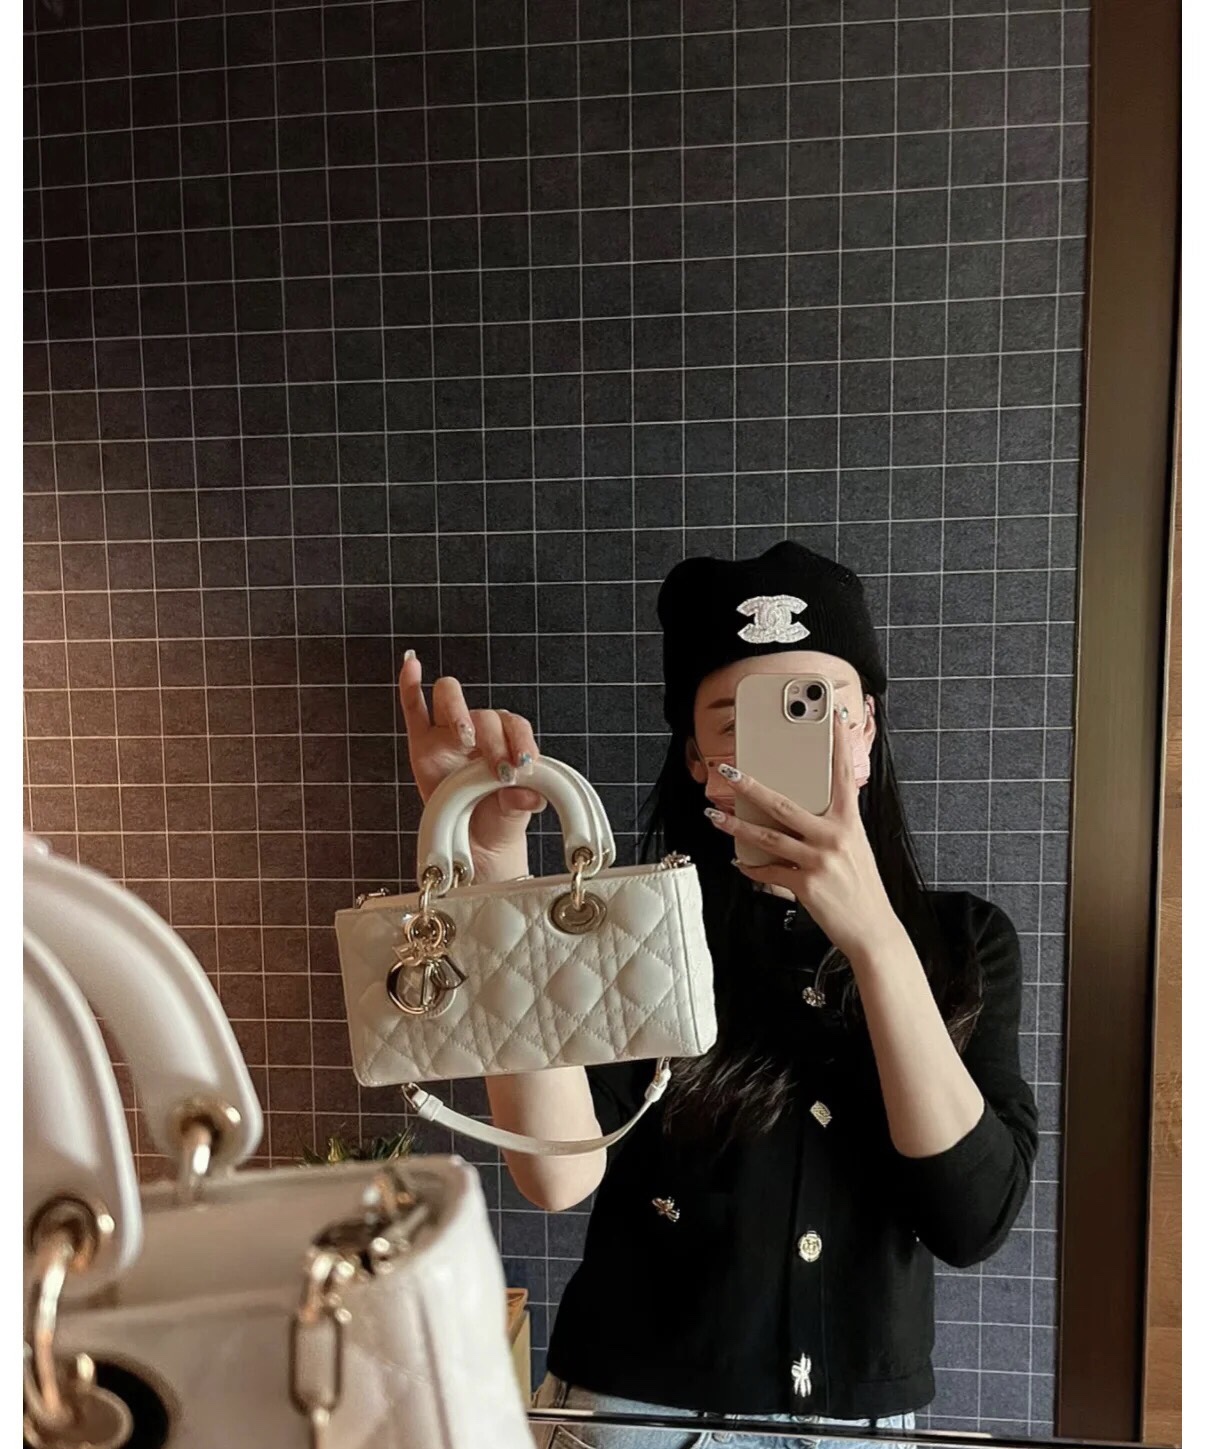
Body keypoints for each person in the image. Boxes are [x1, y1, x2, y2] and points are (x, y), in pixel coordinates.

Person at [399, 541, 1038, 1449]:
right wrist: (494, 866)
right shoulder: (632, 923)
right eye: (734, 720)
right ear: (697, 756)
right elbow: (556, 1172)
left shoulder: (965, 941)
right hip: (635, 1419)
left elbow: (973, 1220)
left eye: (814, 707)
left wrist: (873, 937)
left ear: (865, 729)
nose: (773, 748)